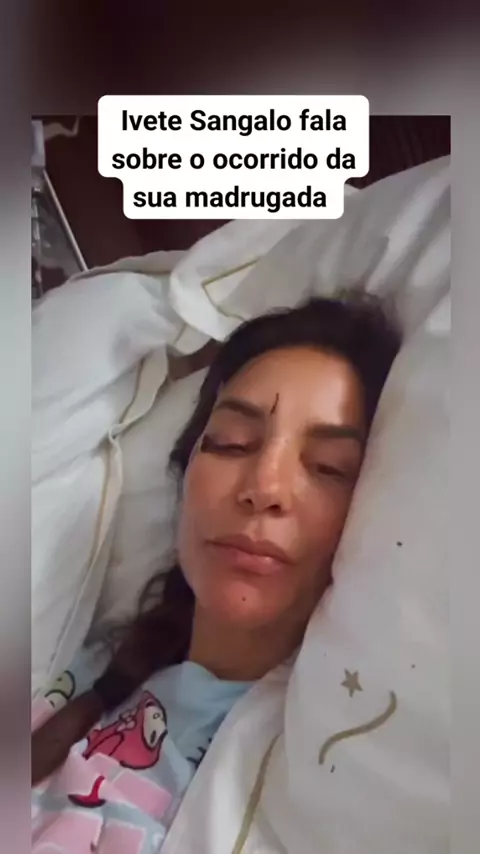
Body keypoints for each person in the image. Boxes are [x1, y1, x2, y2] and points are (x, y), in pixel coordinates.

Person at [32, 290, 401, 853]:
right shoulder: (78, 667)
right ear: (184, 477)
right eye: (232, 443)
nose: (265, 486)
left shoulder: (324, 768)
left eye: (329, 467)